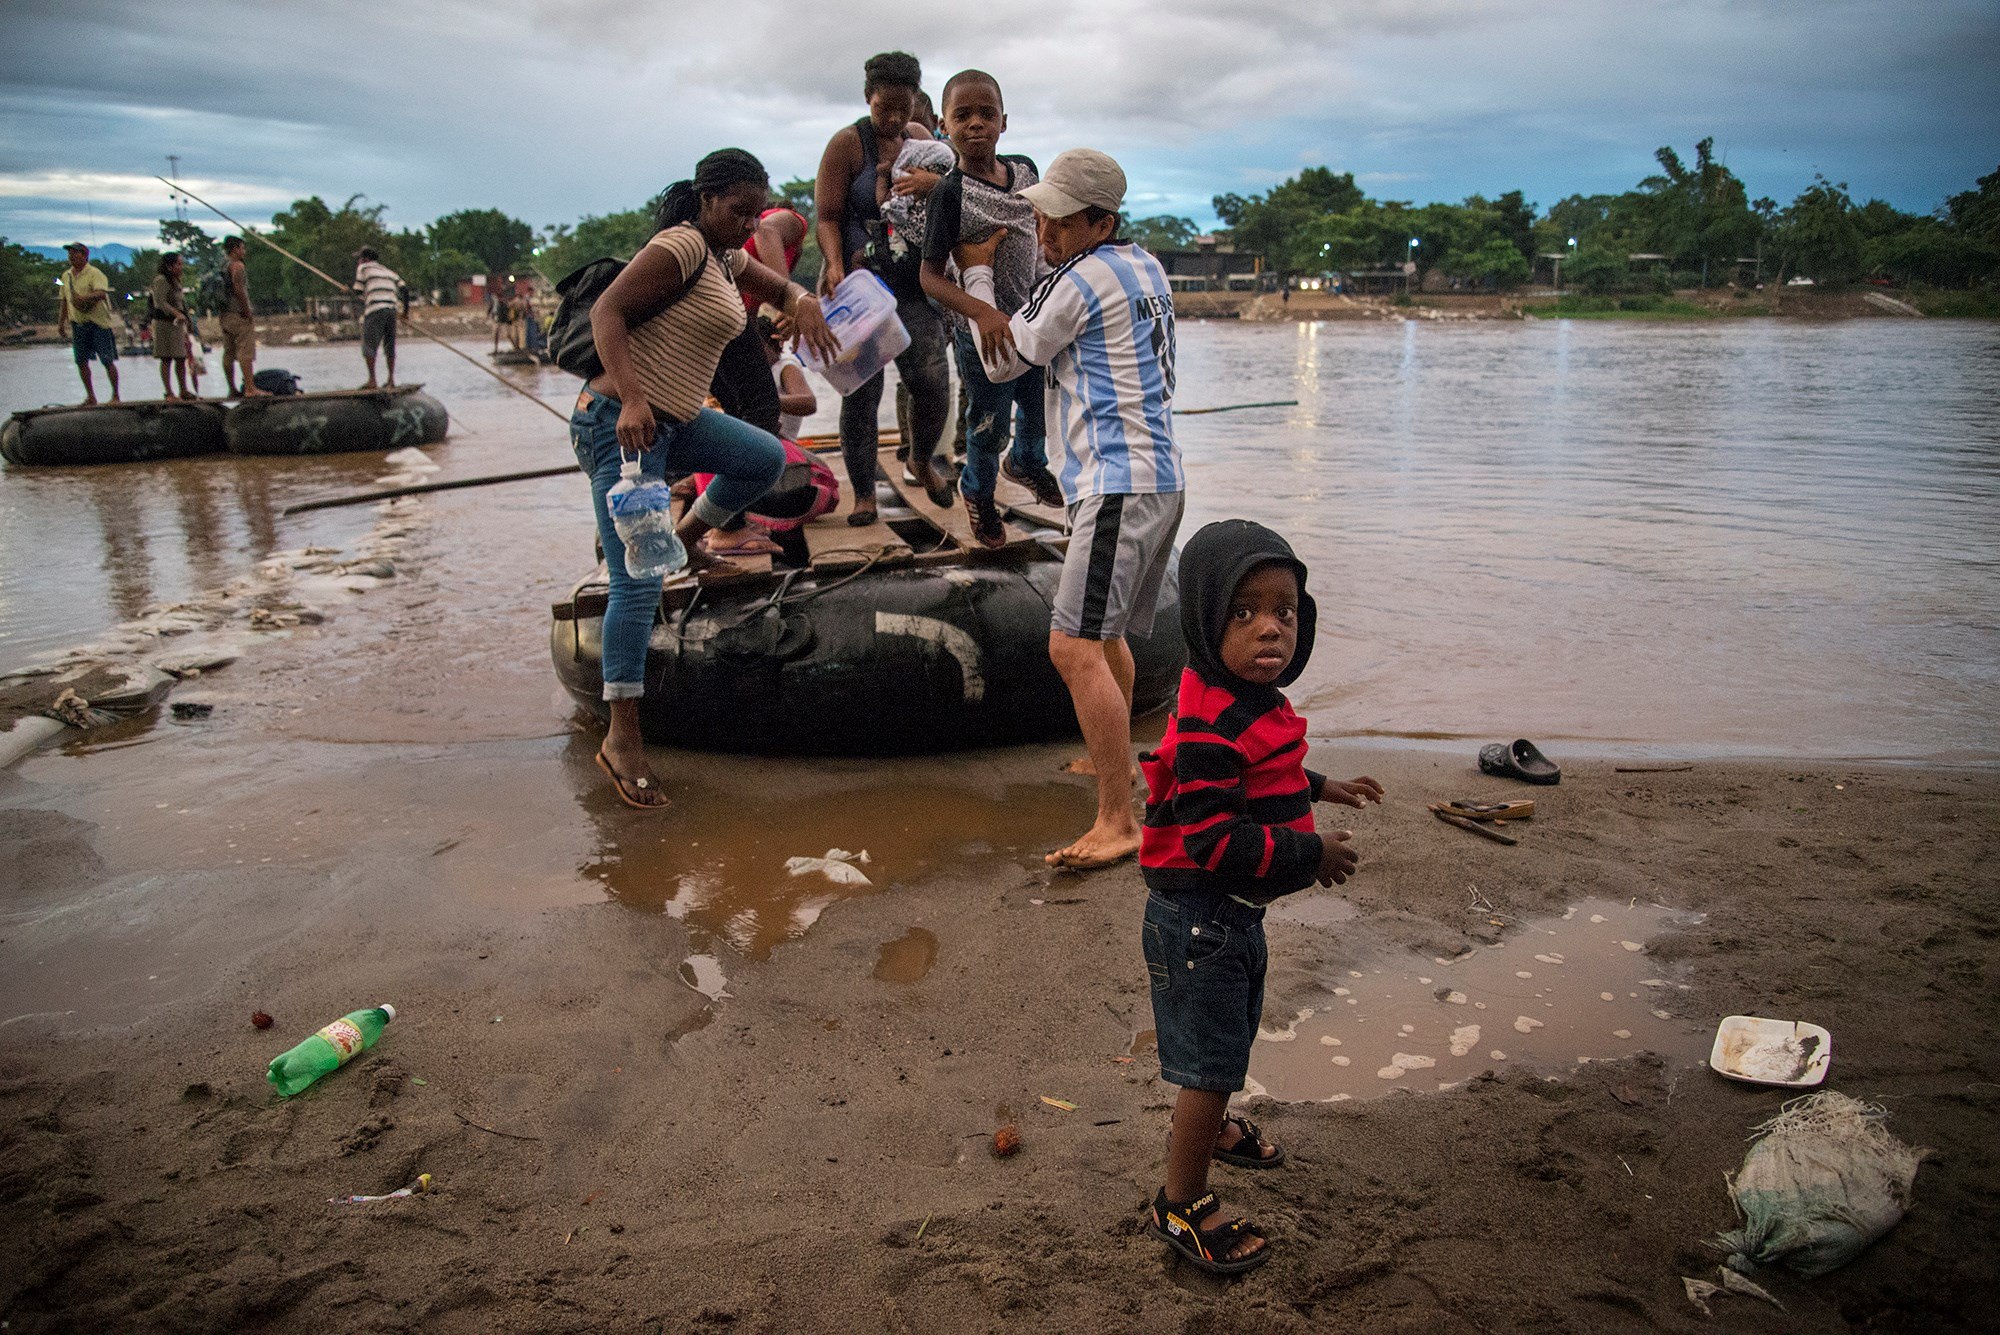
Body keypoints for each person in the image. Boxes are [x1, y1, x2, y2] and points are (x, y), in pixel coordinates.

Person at [1138, 518, 1383, 1275]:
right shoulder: (1209, 721)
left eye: (1285, 609)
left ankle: (1210, 1130)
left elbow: (1265, 771)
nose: (1270, 628)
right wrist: (1311, 855)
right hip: (1199, 920)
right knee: (1209, 1064)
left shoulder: (1244, 698)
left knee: (1232, 1036)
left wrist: (1322, 786)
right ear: (1208, 620)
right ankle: (1181, 1200)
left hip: (1229, 919)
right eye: (1244, 613)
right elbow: (1216, 839)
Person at [574, 147, 838, 810]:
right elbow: (608, 312)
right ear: (704, 198)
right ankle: (622, 736)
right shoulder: (682, 246)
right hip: (620, 422)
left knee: (765, 457)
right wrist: (633, 397)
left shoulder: (724, 254)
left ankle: (686, 536)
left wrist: (800, 298)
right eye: (735, 209)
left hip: (681, 421)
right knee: (634, 586)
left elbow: (775, 284)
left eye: (755, 212)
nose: (745, 222)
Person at [957, 148, 1185, 868]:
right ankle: (1110, 763)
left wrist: (975, 272)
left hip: (1119, 480)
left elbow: (999, 360)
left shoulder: (1081, 280)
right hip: (1157, 476)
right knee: (1105, 632)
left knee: (1072, 644)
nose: (1043, 231)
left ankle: (1118, 819)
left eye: (1056, 220)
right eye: (1041, 214)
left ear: (1100, 221)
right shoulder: (1144, 264)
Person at [919, 70, 1064, 548]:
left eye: (987, 114)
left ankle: (1027, 463)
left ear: (1005, 122)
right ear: (944, 125)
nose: (976, 124)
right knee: (988, 420)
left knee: (1039, 405)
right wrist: (981, 314)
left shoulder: (1025, 171)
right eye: (963, 116)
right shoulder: (949, 193)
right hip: (982, 332)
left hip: (1031, 318)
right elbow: (930, 277)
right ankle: (978, 491)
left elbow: (1042, 230)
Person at [812, 49, 954, 524]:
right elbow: (828, 216)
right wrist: (833, 264)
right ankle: (864, 495)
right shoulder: (846, 146)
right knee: (863, 393)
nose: (894, 118)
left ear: (916, 102)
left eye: (904, 107)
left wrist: (933, 183)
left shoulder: (922, 140)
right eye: (883, 108)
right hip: (863, 285)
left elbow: (951, 195)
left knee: (931, 383)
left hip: (913, 283)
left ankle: (920, 458)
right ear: (867, 98)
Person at [56, 241, 119, 404]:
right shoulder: (66, 276)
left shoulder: (95, 273)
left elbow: (101, 293)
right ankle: (91, 396)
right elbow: (64, 300)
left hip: (98, 323)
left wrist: (84, 298)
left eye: (75, 253)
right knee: (81, 361)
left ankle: (115, 395)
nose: (71, 257)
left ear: (84, 255)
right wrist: (61, 323)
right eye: (70, 254)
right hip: (78, 323)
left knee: (107, 360)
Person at [218, 237, 267, 397]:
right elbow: (239, 290)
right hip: (238, 314)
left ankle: (231, 388)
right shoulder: (237, 266)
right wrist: (247, 311)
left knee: (228, 352)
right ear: (235, 249)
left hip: (224, 315)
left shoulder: (222, 265)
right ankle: (250, 388)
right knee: (245, 351)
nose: (244, 252)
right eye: (242, 248)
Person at [353, 247, 402, 389]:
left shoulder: (363, 268)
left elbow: (357, 291)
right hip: (392, 310)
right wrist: (404, 313)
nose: (358, 261)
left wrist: (350, 291)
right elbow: (404, 289)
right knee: (389, 346)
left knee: (369, 345)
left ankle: (372, 381)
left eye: (360, 258)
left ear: (365, 259)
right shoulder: (388, 272)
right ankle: (391, 380)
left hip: (375, 310)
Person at [149, 252, 196, 400]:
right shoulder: (161, 280)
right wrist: (176, 313)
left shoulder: (176, 280)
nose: (181, 267)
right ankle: (169, 392)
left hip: (177, 325)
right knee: (166, 358)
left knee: (181, 357)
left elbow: (182, 302)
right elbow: (160, 302)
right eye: (179, 264)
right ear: (170, 266)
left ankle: (183, 390)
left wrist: (187, 320)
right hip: (164, 323)